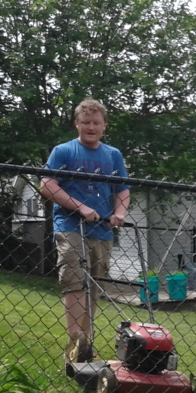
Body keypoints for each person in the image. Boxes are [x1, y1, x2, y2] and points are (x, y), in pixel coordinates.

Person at [39, 98, 130, 363]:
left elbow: (123, 189)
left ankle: (86, 344)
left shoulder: (113, 155)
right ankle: (75, 344)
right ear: (77, 124)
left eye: (96, 123)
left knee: (93, 286)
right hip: (70, 225)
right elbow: (47, 185)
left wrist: (119, 213)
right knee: (75, 279)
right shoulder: (63, 151)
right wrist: (79, 207)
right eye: (86, 122)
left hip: (102, 229)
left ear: (104, 126)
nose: (91, 127)